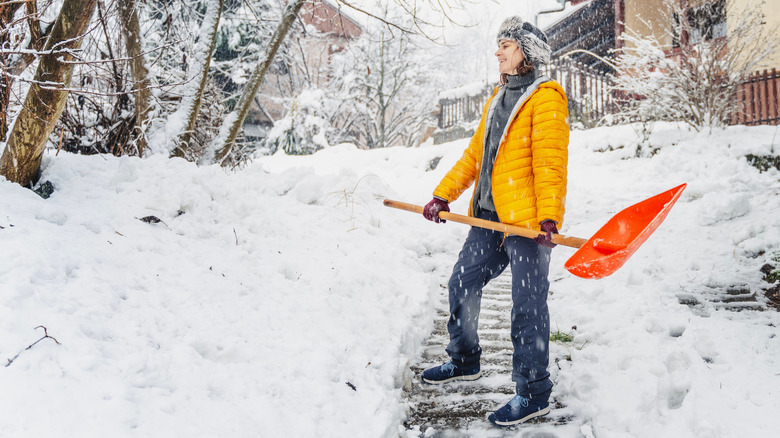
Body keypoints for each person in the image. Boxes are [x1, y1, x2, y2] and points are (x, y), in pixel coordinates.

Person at [420, 16, 569, 427]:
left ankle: (533, 391)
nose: (498, 51)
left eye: (506, 44)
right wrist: (442, 194)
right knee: (461, 282)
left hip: (526, 225)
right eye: (499, 44)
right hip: (488, 218)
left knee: (527, 307)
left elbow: (550, 164)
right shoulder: (498, 97)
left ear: (526, 52)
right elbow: (474, 157)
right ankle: (464, 359)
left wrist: (549, 219)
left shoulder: (546, 98)